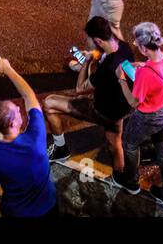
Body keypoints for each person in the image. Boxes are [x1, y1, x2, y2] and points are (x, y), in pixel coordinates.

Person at [44, 16, 134, 175]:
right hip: (121, 108)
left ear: (98, 40)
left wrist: (87, 62)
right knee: (115, 143)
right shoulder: (125, 48)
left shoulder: (108, 66)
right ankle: (122, 178)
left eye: (93, 40)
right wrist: (96, 56)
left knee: (49, 103)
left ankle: (60, 149)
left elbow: (80, 88)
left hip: (102, 110)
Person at [0, 52, 57, 216]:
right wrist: (8, 69)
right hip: (48, 208)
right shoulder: (35, 137)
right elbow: (29, 95)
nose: (19, 108)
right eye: (16, 110)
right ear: (13, 124)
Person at [115, 21, 163, 211]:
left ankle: (132, 182)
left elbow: (134, 102)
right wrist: (146, 65)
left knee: (129, 143)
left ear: (144, 48)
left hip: (149, 116)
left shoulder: (144, 75)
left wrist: (121, 79)